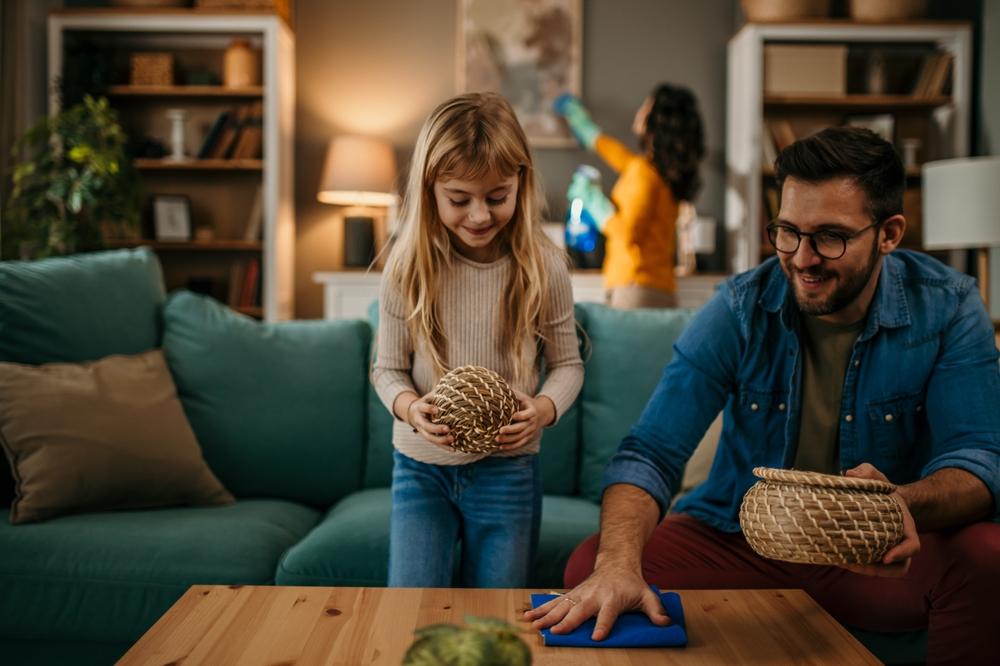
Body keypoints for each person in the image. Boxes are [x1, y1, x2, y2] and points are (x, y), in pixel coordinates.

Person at [524, 126, 1000, 665]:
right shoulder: (739, 306)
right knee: (595, 564)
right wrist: (616, 566)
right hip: (743, 539)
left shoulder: (950, 306)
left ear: (889, 234)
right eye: (788, 232)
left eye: (830, 237)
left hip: (876, 552)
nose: (801, 258)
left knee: (987, 555)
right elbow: (650, 452)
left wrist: (895, 505)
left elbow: (979, 463)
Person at [372, 92, 584, 589]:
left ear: (521, 184)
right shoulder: (407, 267)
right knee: (412, 610)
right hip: (421, 471)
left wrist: (544, 410)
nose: (480, 216)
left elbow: (569, 365)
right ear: (429, 192)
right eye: (458, 199)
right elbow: (387, 370)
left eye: (496, 196)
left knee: (499, 616)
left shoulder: (545, 266)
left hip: (509, 472)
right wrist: (408, 409)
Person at [554, 84, 706, 308]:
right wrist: (590, 133)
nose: (640, 110)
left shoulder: (644, 174)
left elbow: (626, 233)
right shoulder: (661, 174)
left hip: (634, 289)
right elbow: (622, 158)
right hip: (658, 288)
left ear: (657, 121)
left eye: (646, 106)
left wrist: (593, 200)